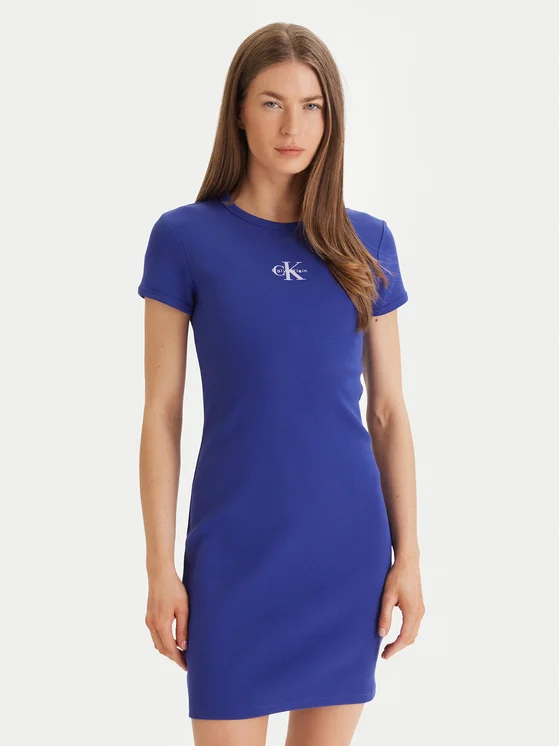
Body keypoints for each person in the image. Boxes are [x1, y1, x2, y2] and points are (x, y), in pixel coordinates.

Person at [137, 21, 424, 746]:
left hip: (346, 553)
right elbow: (162, 414)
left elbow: (388, 413)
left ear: (331, 117)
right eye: (271, 103)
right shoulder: (184, 238)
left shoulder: (367, 242)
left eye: (311, 106)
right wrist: (160, 568)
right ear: (238, 110)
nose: (293, 127)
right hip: (232, 554)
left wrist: (410, 558)